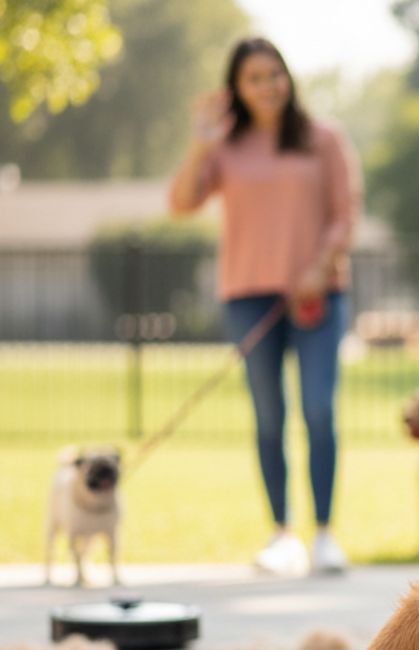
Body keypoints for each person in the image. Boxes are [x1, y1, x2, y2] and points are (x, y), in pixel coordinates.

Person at [168, 37, 362, 574]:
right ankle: (281, 534)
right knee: (268, 414)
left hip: (317, 294)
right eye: (254, 78)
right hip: (248, 296)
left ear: (288, 77)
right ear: (237, 88)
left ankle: (324, 534)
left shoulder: (323, 139)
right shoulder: (226, 145)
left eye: (274, 74)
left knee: (319, 409)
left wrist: (319, 267)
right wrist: (201, 143)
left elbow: (345, 213)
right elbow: (181, 203)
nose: (267, 85)